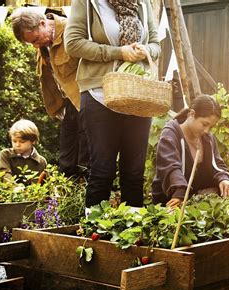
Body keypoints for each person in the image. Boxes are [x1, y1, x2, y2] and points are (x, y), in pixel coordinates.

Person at [64, 0, 161, 210]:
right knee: (102, 170)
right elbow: (72, 43)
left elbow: (156, 44)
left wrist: (145, 51)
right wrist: (119, 52)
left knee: (134, 173)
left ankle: (132, 235)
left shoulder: (143, 3)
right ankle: (95, 237)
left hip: (137, 95)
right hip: (100, 94)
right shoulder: (88, 2)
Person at [10, 8, 89, 179]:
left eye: (36, 40)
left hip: (86, 99)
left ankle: (90, 201)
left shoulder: (72, 30)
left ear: (43, 23)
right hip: (69, 103)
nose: (36, 46)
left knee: (86, 159)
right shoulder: (43, 44)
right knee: (66, 161)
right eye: (31, 43)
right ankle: (69, 200)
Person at [152, 95, 229, 207]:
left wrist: (224, 179)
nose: (207, 131)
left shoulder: (208, 139)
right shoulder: (170, 134)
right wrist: (180, 193)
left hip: (194, 201)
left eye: (211, 127)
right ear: (192, 114)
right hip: (170, 200)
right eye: (205, 124)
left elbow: (217, 165)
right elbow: (171, 167)